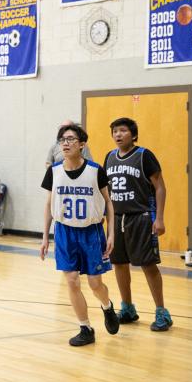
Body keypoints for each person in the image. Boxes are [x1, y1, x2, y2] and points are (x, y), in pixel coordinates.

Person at [40, 124, 119, 347]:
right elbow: (48, 205)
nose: (65, 143)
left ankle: (107, 306)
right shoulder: (53, 171)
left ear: (82, 144)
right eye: (62, 140)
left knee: (95, 284)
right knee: (72, 281)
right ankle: (85, 327)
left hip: (91, 232)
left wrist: (110, 233)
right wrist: (45, 237)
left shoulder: (96, 170)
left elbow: (109, 204)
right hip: (64, 232)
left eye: (71, 139)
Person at [104, 118, 172, 331]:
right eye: (115, 131)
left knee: (148, 264)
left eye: (122, 130)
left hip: (141, 217)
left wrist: (159, 218)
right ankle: (127, 308)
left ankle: (162, 312)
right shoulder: (109, 157)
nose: (118, 134)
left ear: (133, 135)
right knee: (119, 263)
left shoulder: (144, 155)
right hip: (117, 218)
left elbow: (160, 187)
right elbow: (106, 191)